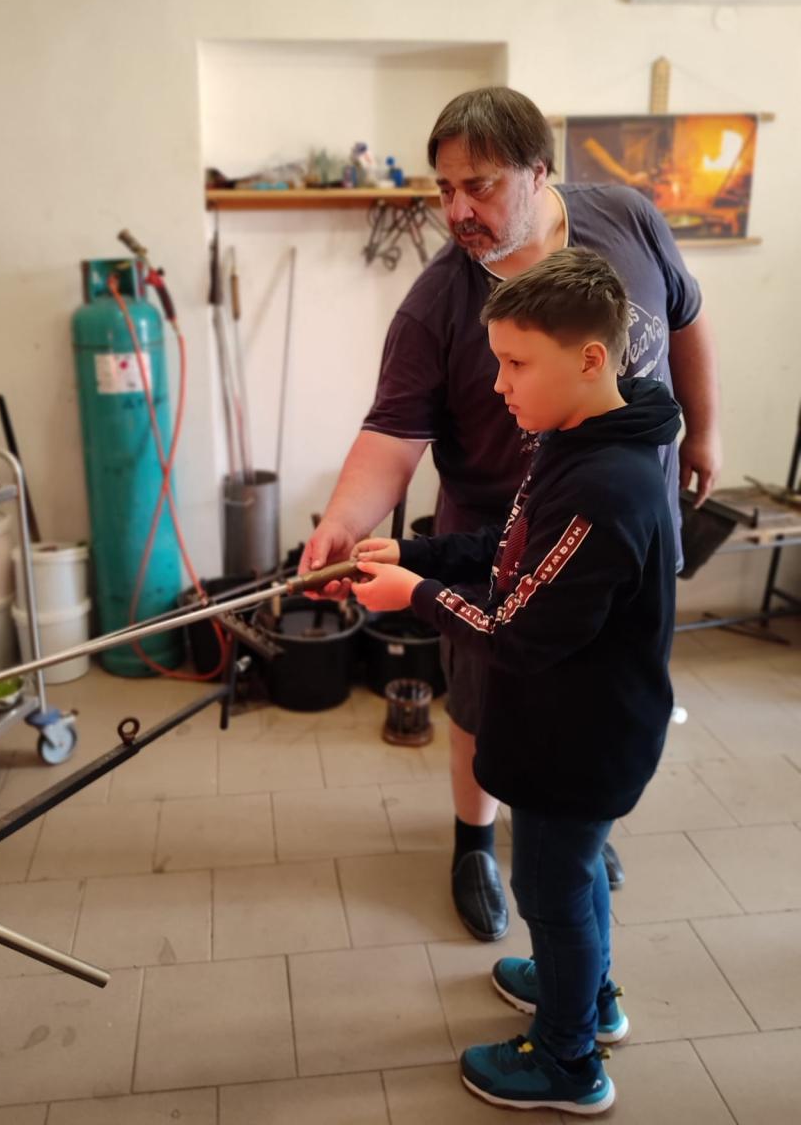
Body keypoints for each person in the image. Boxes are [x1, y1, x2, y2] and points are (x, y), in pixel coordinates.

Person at [300, 86, 720, 941]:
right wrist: (344, 522)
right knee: (486, 703)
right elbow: (393, 432)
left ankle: (571, 827)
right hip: (499, 538)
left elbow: (686, 318)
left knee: (599, 695)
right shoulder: (438, 301)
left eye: (479, 185)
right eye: (444, 188)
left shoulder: (627, 218)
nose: (457, 210)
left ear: (538, 171)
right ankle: (474, 842)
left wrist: (705, 433)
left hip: (628, 531)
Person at [349, 250, 679, 1114]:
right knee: (571, 876)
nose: (498, 385)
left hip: (582, 738)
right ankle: (588, 992)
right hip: (563, 721)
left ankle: (568, 1061)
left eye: (516, 363)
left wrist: (414, 594)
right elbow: (509, 545)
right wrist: (416, 551)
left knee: (551, 887)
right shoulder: (576, 439)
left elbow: (517, 634)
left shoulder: (608, 487)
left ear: (591, 359)